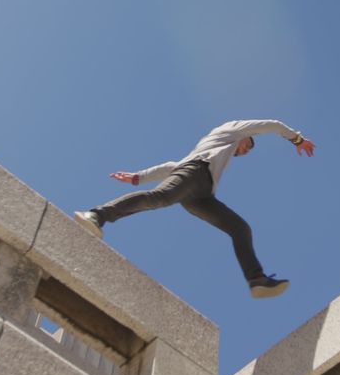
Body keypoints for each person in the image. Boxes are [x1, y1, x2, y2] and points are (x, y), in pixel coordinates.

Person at [75, 119, 316, 299]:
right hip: (196, 172)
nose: (245, 152)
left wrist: (138, 177)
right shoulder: (230, 130)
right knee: (160, 197)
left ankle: (257, 280)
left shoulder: (215, 150)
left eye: (248, 152)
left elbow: (172, 166)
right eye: (248, 146)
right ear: (244, 134)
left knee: (240, 228)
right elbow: (271, 124)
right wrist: (296, 139)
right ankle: (97, 215)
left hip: (201, 195)